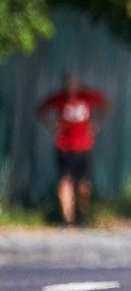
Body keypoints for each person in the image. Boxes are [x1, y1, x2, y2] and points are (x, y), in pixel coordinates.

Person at [37, 74, 108, 227]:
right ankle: (67, 218)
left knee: (83, 185)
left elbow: (105, 104)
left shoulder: (87, 96)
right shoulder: (59, 98)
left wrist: (97, 123)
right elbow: (40, 109)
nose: (70, 87)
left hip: (83, 146)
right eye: (67, 84)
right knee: (64, 181)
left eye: (73, 84)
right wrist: (52, 125)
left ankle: (82, 214)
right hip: (64, 146)